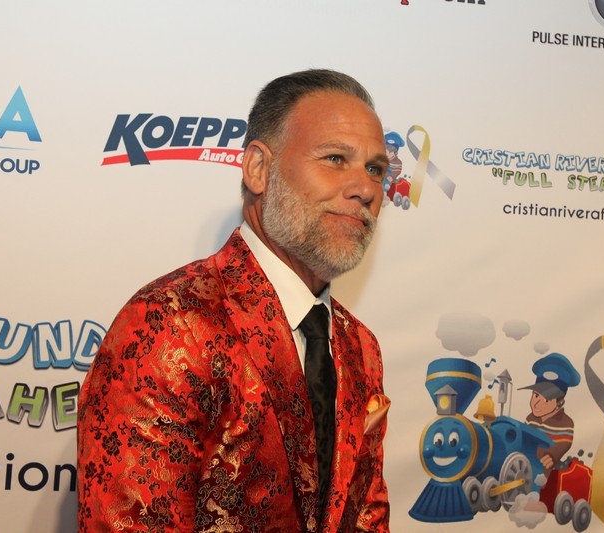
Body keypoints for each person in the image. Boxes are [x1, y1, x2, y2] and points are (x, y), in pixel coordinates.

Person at [77, 69, 392, 533]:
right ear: (259, 169)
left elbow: (367, 518)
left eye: (376, 169)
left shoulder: (359, 346)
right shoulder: (169, 323)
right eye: (334, 158)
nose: (365, 188)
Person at [519, 352, 581, 474]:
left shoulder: (566, 423)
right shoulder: (530, 418)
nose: (536, 404)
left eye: (546, 400)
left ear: (559, 402)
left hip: (541, 471)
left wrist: (552, 455)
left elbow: (563, 444)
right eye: (536, 395)